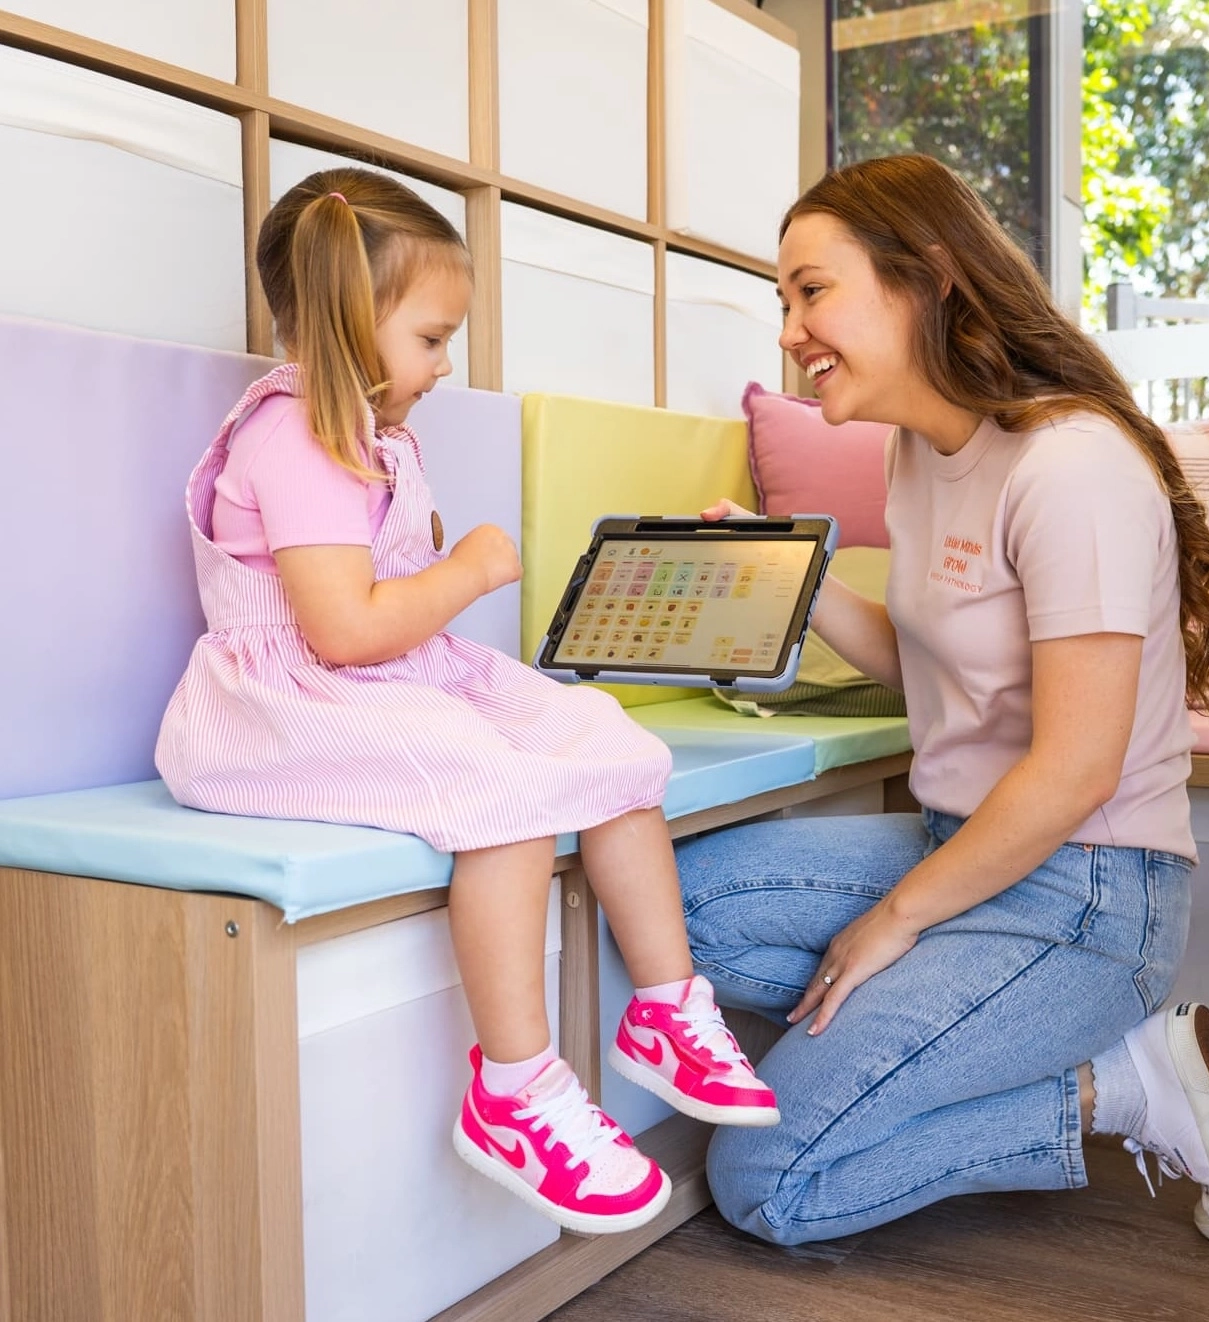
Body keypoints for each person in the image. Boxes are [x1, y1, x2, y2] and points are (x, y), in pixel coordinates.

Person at [155, 167, 776, 1237]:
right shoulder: (294, 439)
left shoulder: (365, 434)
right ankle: (514, 1089)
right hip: (286, 704)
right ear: (350, 322)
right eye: (433, 338)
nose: (445, 365)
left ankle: (667, 1008)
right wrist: (472, 568)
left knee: (605, 741)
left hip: (392, 677)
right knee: (502, 791)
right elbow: (342, 631)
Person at [684, 153, 1209, 1247]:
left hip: (1088, 892)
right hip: (961, 843)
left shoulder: (1071, 467)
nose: (789, 330)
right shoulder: (916, 452)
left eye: (812, 292)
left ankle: (1115, 1087)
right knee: (679, 906)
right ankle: (924, 1044)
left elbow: (1076, 768)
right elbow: (934, 666)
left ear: (928, 278)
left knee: (765, 1179)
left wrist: (895, 919)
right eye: (783, 301)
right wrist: (791, 579)